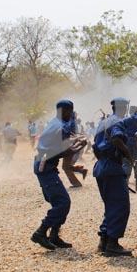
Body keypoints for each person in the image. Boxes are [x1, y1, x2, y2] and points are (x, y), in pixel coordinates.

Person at [31, 100, 85, 250]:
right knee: (63, 202)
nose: (72, 115)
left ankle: (54, 235)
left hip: (47, 165)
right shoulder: (59, 127)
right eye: (71, 112)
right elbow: (63, 151)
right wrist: (78, 147)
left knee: (59, 202)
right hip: (46, 166)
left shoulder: (56, 123)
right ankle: (40, 232)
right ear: (66, 111)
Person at [92, 113, 137, 256]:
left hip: (101, 167)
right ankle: (113, 244)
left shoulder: (103, 122)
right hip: (112, 167)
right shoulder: (118, 122)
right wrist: (128, 155)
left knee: (111, 206)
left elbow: (95, 145)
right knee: (121, 206)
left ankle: (104, 241)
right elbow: (117, 139)